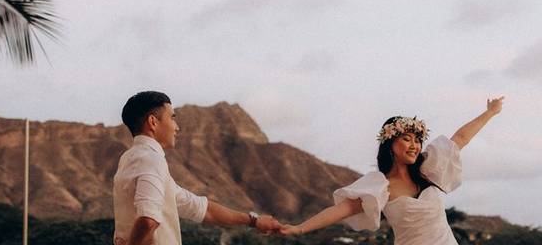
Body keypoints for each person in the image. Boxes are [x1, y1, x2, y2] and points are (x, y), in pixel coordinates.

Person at [280, 96, 505, 244]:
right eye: (407, 139)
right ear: (391, 144)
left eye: (417, 140)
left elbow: (460, 138)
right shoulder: (381, 186)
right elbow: (343, 209)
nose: (415, 145)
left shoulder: (428, 171)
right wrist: (300, 229)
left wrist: (491, 112)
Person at [113, 91, 283, 245]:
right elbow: (148, 219)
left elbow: (202, 209)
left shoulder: (129, 159)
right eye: (172, 118)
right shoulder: (151, 159)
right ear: (153, 122)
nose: (176, 127)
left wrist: (254, 221)